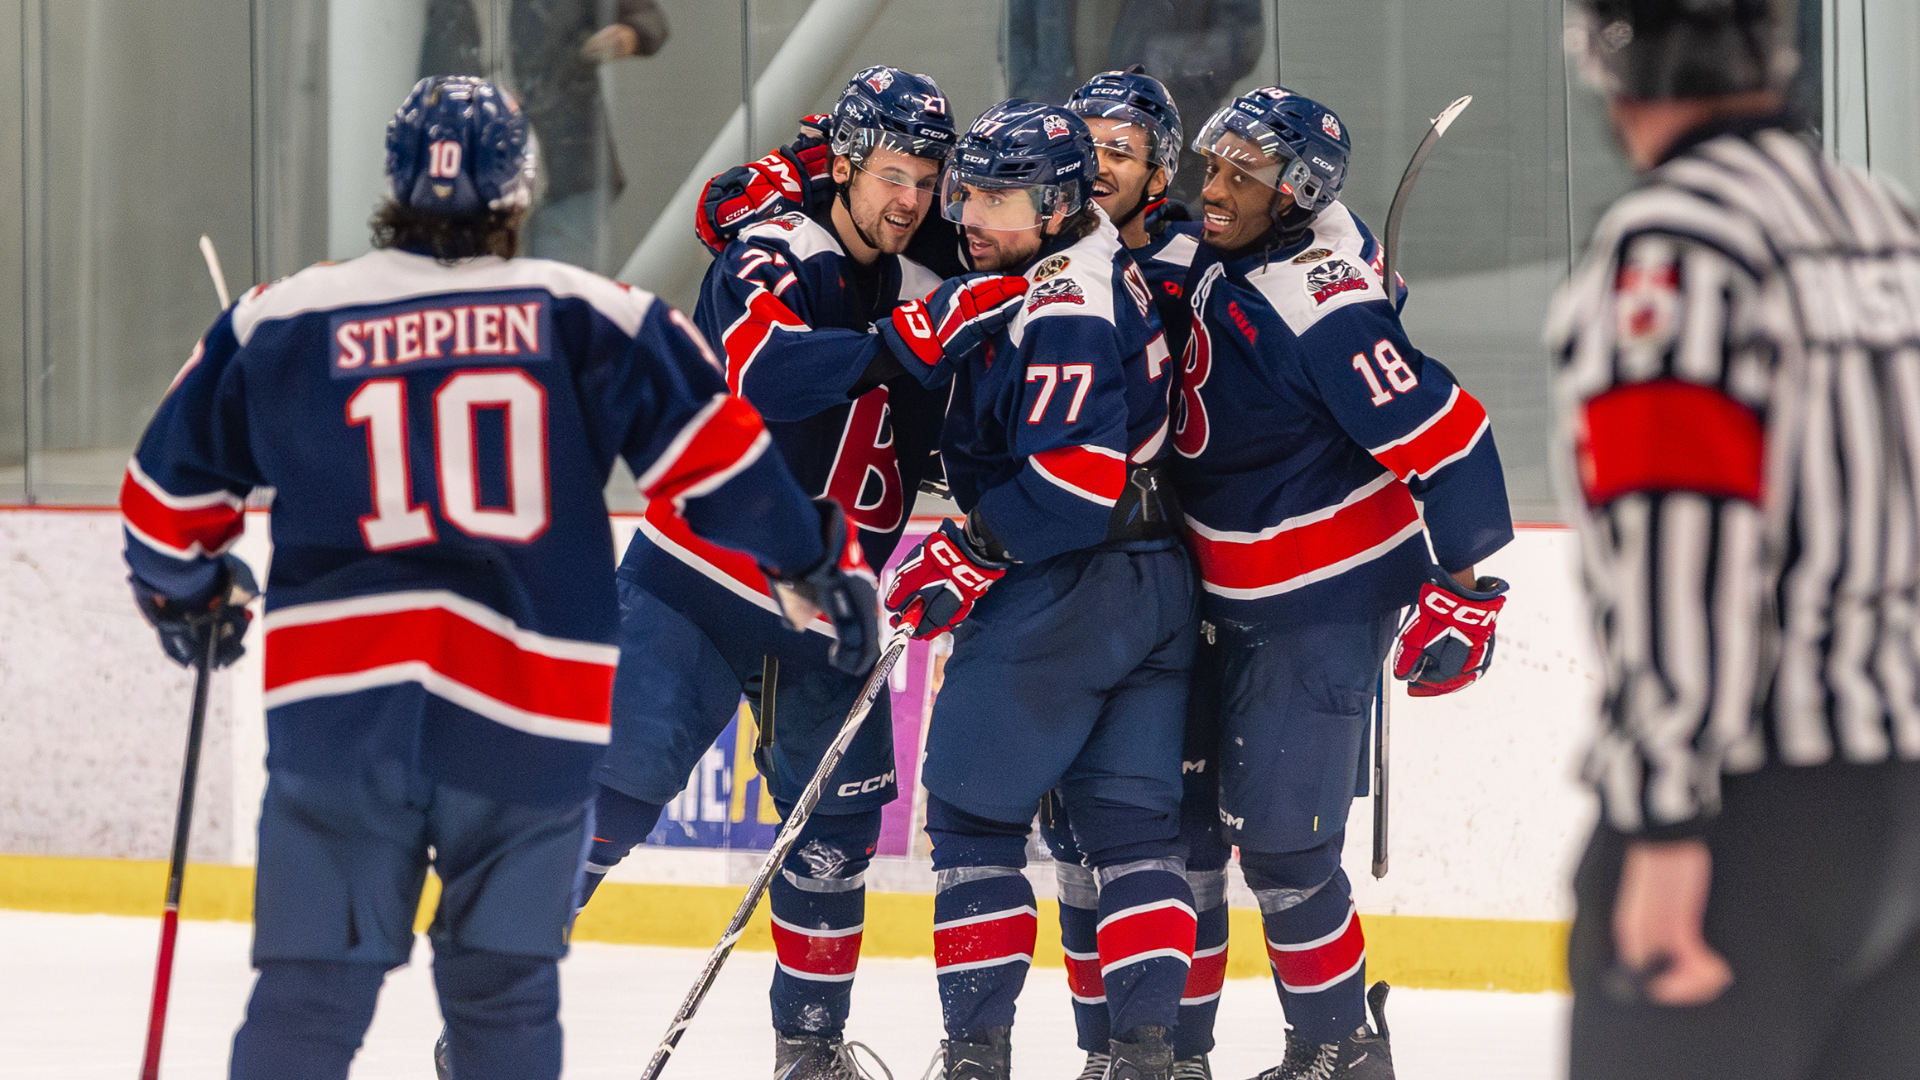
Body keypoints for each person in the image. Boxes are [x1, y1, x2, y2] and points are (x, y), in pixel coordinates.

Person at [117, 75, 876, 1080]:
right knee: (502, 1008)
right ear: (520, 193)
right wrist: (820, 568)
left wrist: (190, 595)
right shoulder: (594, 316)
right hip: (524, 725)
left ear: (391, 181)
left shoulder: (284, 317)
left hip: (341, 724)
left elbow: (163, 502)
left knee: (307, 997)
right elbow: (726, 468)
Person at [579, 67, 1023, 1080]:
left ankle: (808, 1054)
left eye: (927, 179)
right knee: (603, 803)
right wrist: (910, 340)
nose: (909, 199)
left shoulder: (937, 271)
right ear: (846, 164)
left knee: (837, 836)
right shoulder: (778, 246)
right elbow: (761, 374)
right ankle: (487, 1013)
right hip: (695, 579)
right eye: (891, 175)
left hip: (829, 611)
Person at [1552, 2, 1920, 1078]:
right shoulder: (1884, 221)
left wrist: (1664, 820)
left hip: (1752, 818)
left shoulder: (1681, 244)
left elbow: (1685, 542)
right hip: (1900, 798)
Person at [1174, 87, 1516, 1079]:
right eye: (1217, 164)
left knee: (1285, 845)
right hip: (1232, 602)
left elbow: (1450, 441)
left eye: (1245, 173)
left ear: (1297, 194)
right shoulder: (1250, 250)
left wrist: (1463, 589)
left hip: (1317, 603)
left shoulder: (1321, 304)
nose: (1218, 186)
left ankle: (1338, 1051)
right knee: (1192, 843)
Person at [883, 100, 1195, 1080]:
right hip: (1153, 583)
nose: (968, 214)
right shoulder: (1086, 255)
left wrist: (969, 547)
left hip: (1067, 582)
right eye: (965, 189)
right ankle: (1143, 1059)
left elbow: (1068, 481)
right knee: (1133, 829)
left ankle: (976, 1058)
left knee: (975, 819)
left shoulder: (1062, 298)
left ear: (1058, 204)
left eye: (998, 196)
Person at [1033, 66, 1222, 1080]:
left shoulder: (1204, 260)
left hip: (1187, 584)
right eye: (1089, 143)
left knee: (1184, 846)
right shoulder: (1049, 252)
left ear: (1160, 165)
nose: (1101, 163)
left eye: (1121, 147)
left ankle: (1177, 1055)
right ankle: (1103, 1053)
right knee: (1072, 843)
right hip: (1075, 584)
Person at [420, 0, 670, 271]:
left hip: (568, 167)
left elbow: (648, 19)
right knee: (485, 292)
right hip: (480, 177)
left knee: (565, 293)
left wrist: (627, 36)